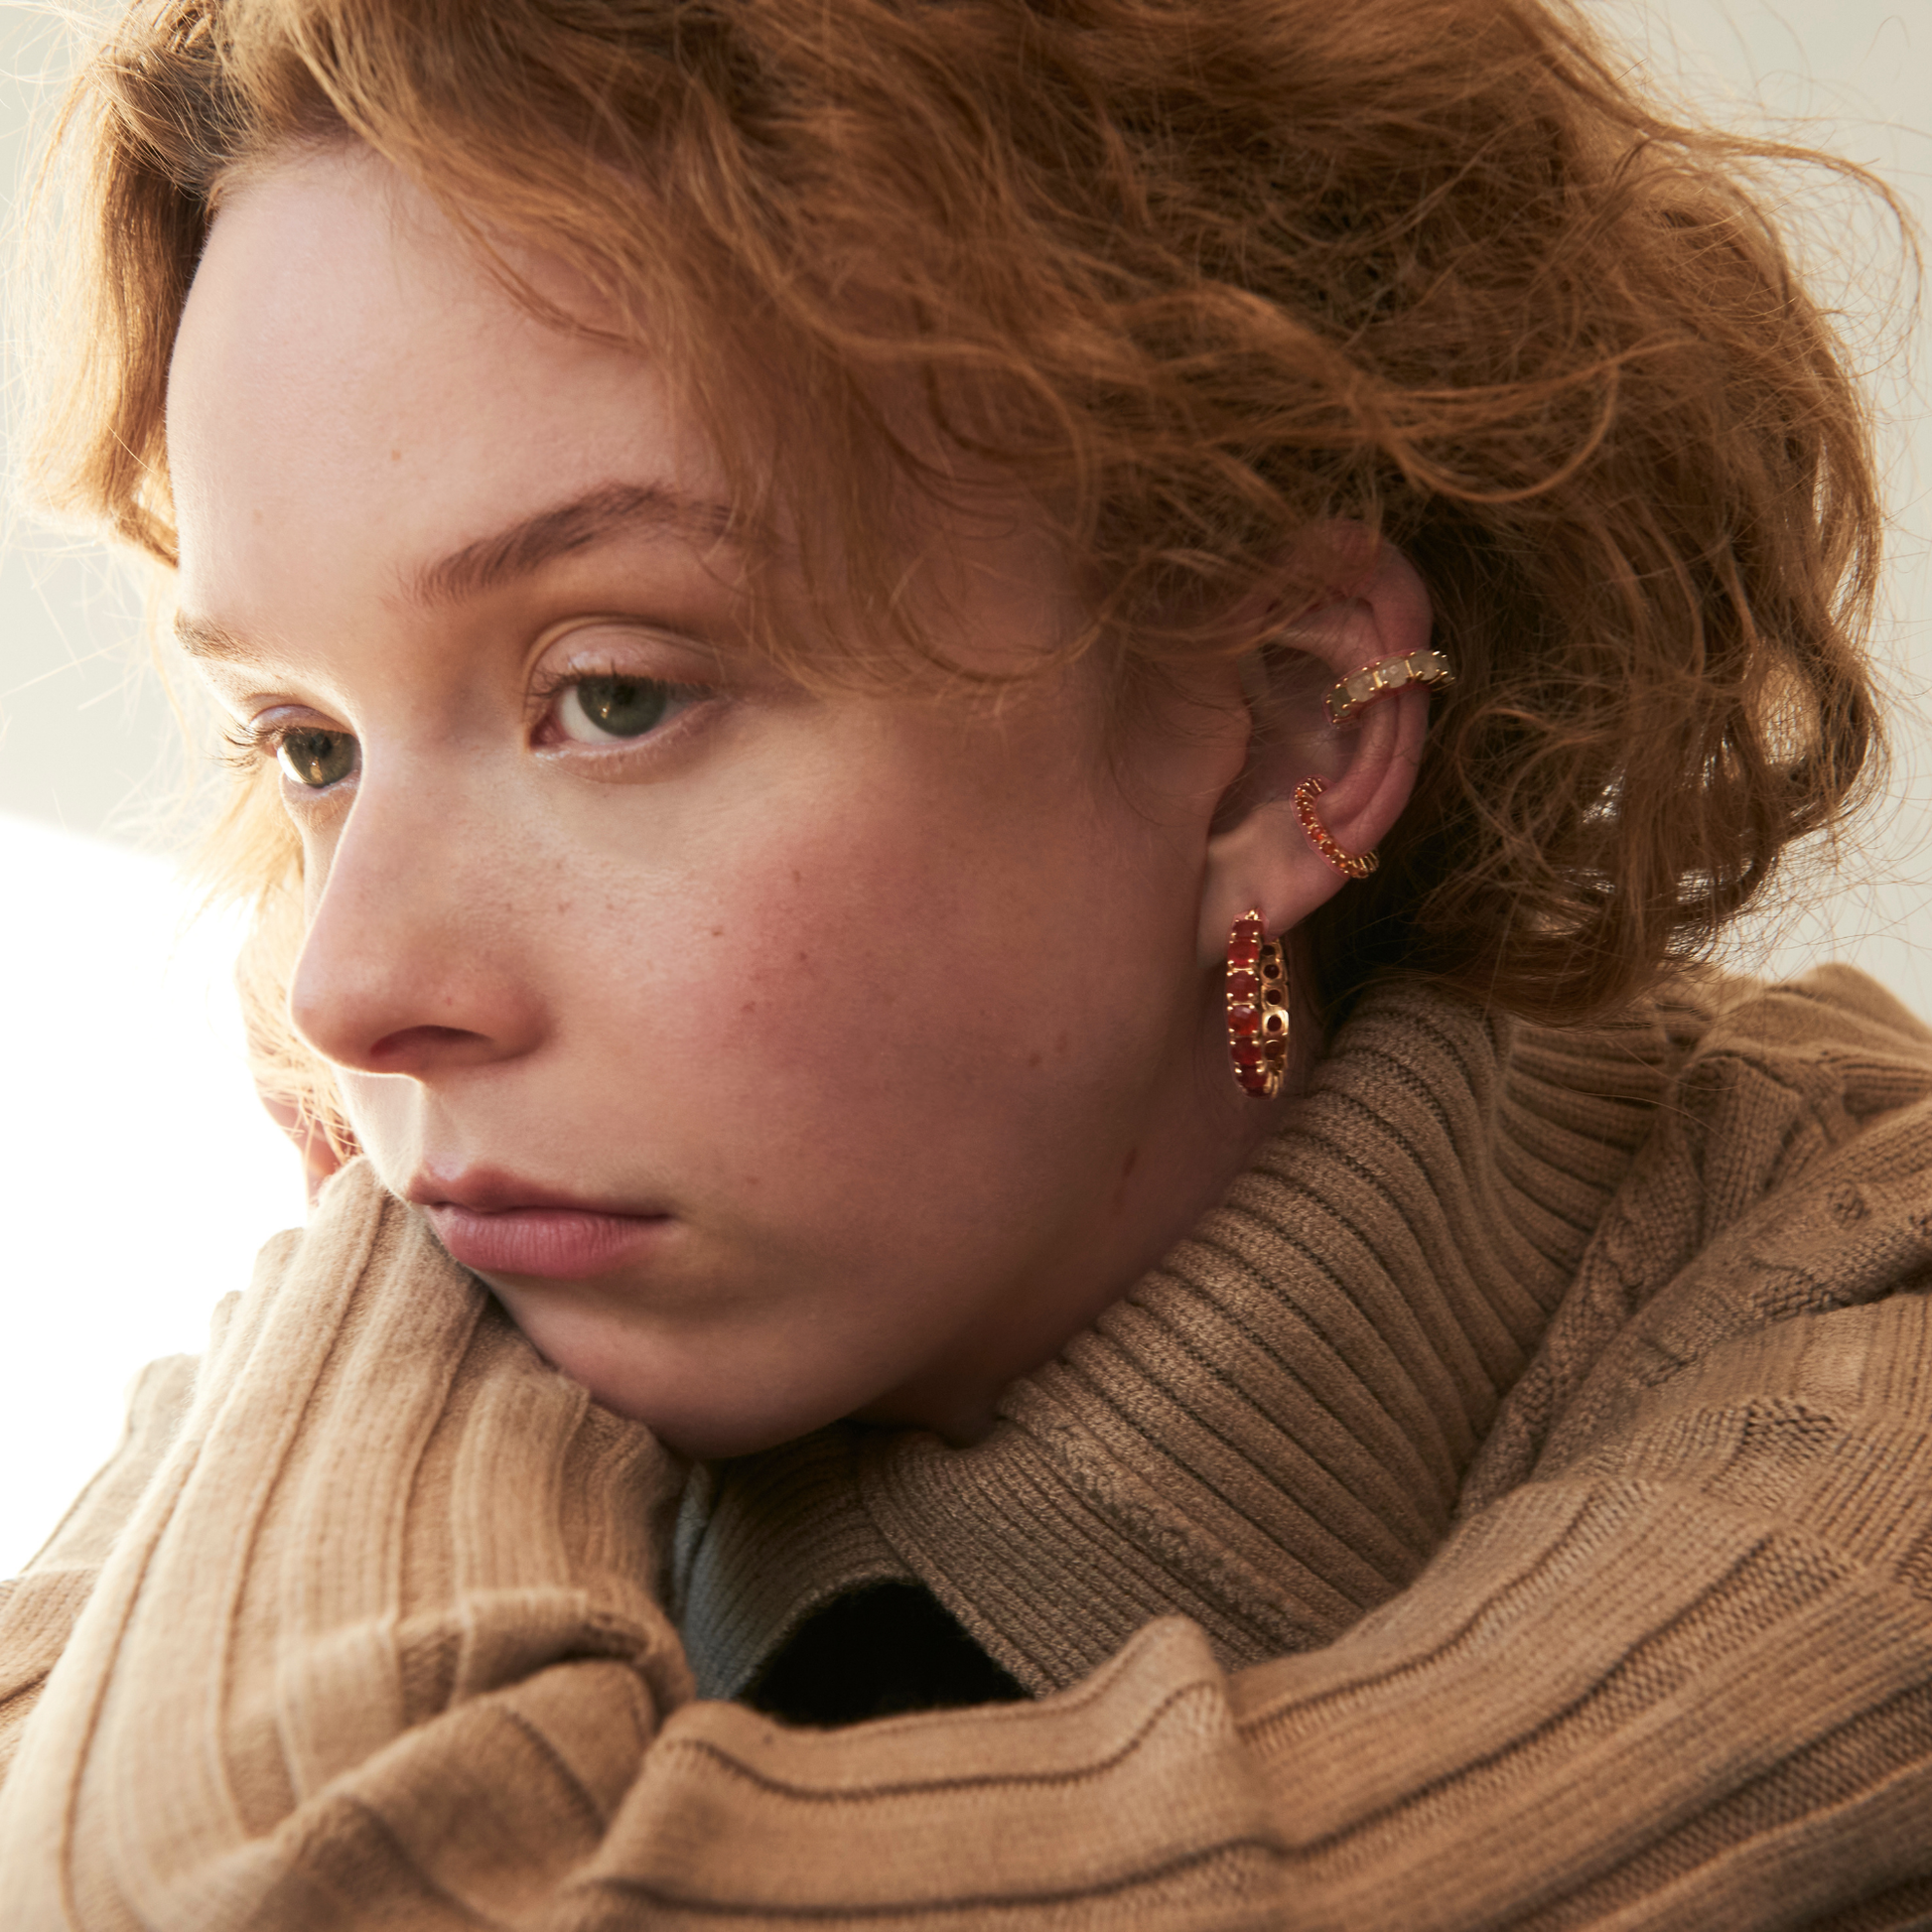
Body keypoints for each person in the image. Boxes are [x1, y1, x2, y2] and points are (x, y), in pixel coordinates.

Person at [2, 0, 1930, 1921]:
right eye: (311, 745)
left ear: (1283, 735)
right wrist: (432, 1264)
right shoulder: (556, 1256)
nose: (343, 988)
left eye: (611, 692)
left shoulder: (1871, 1368)